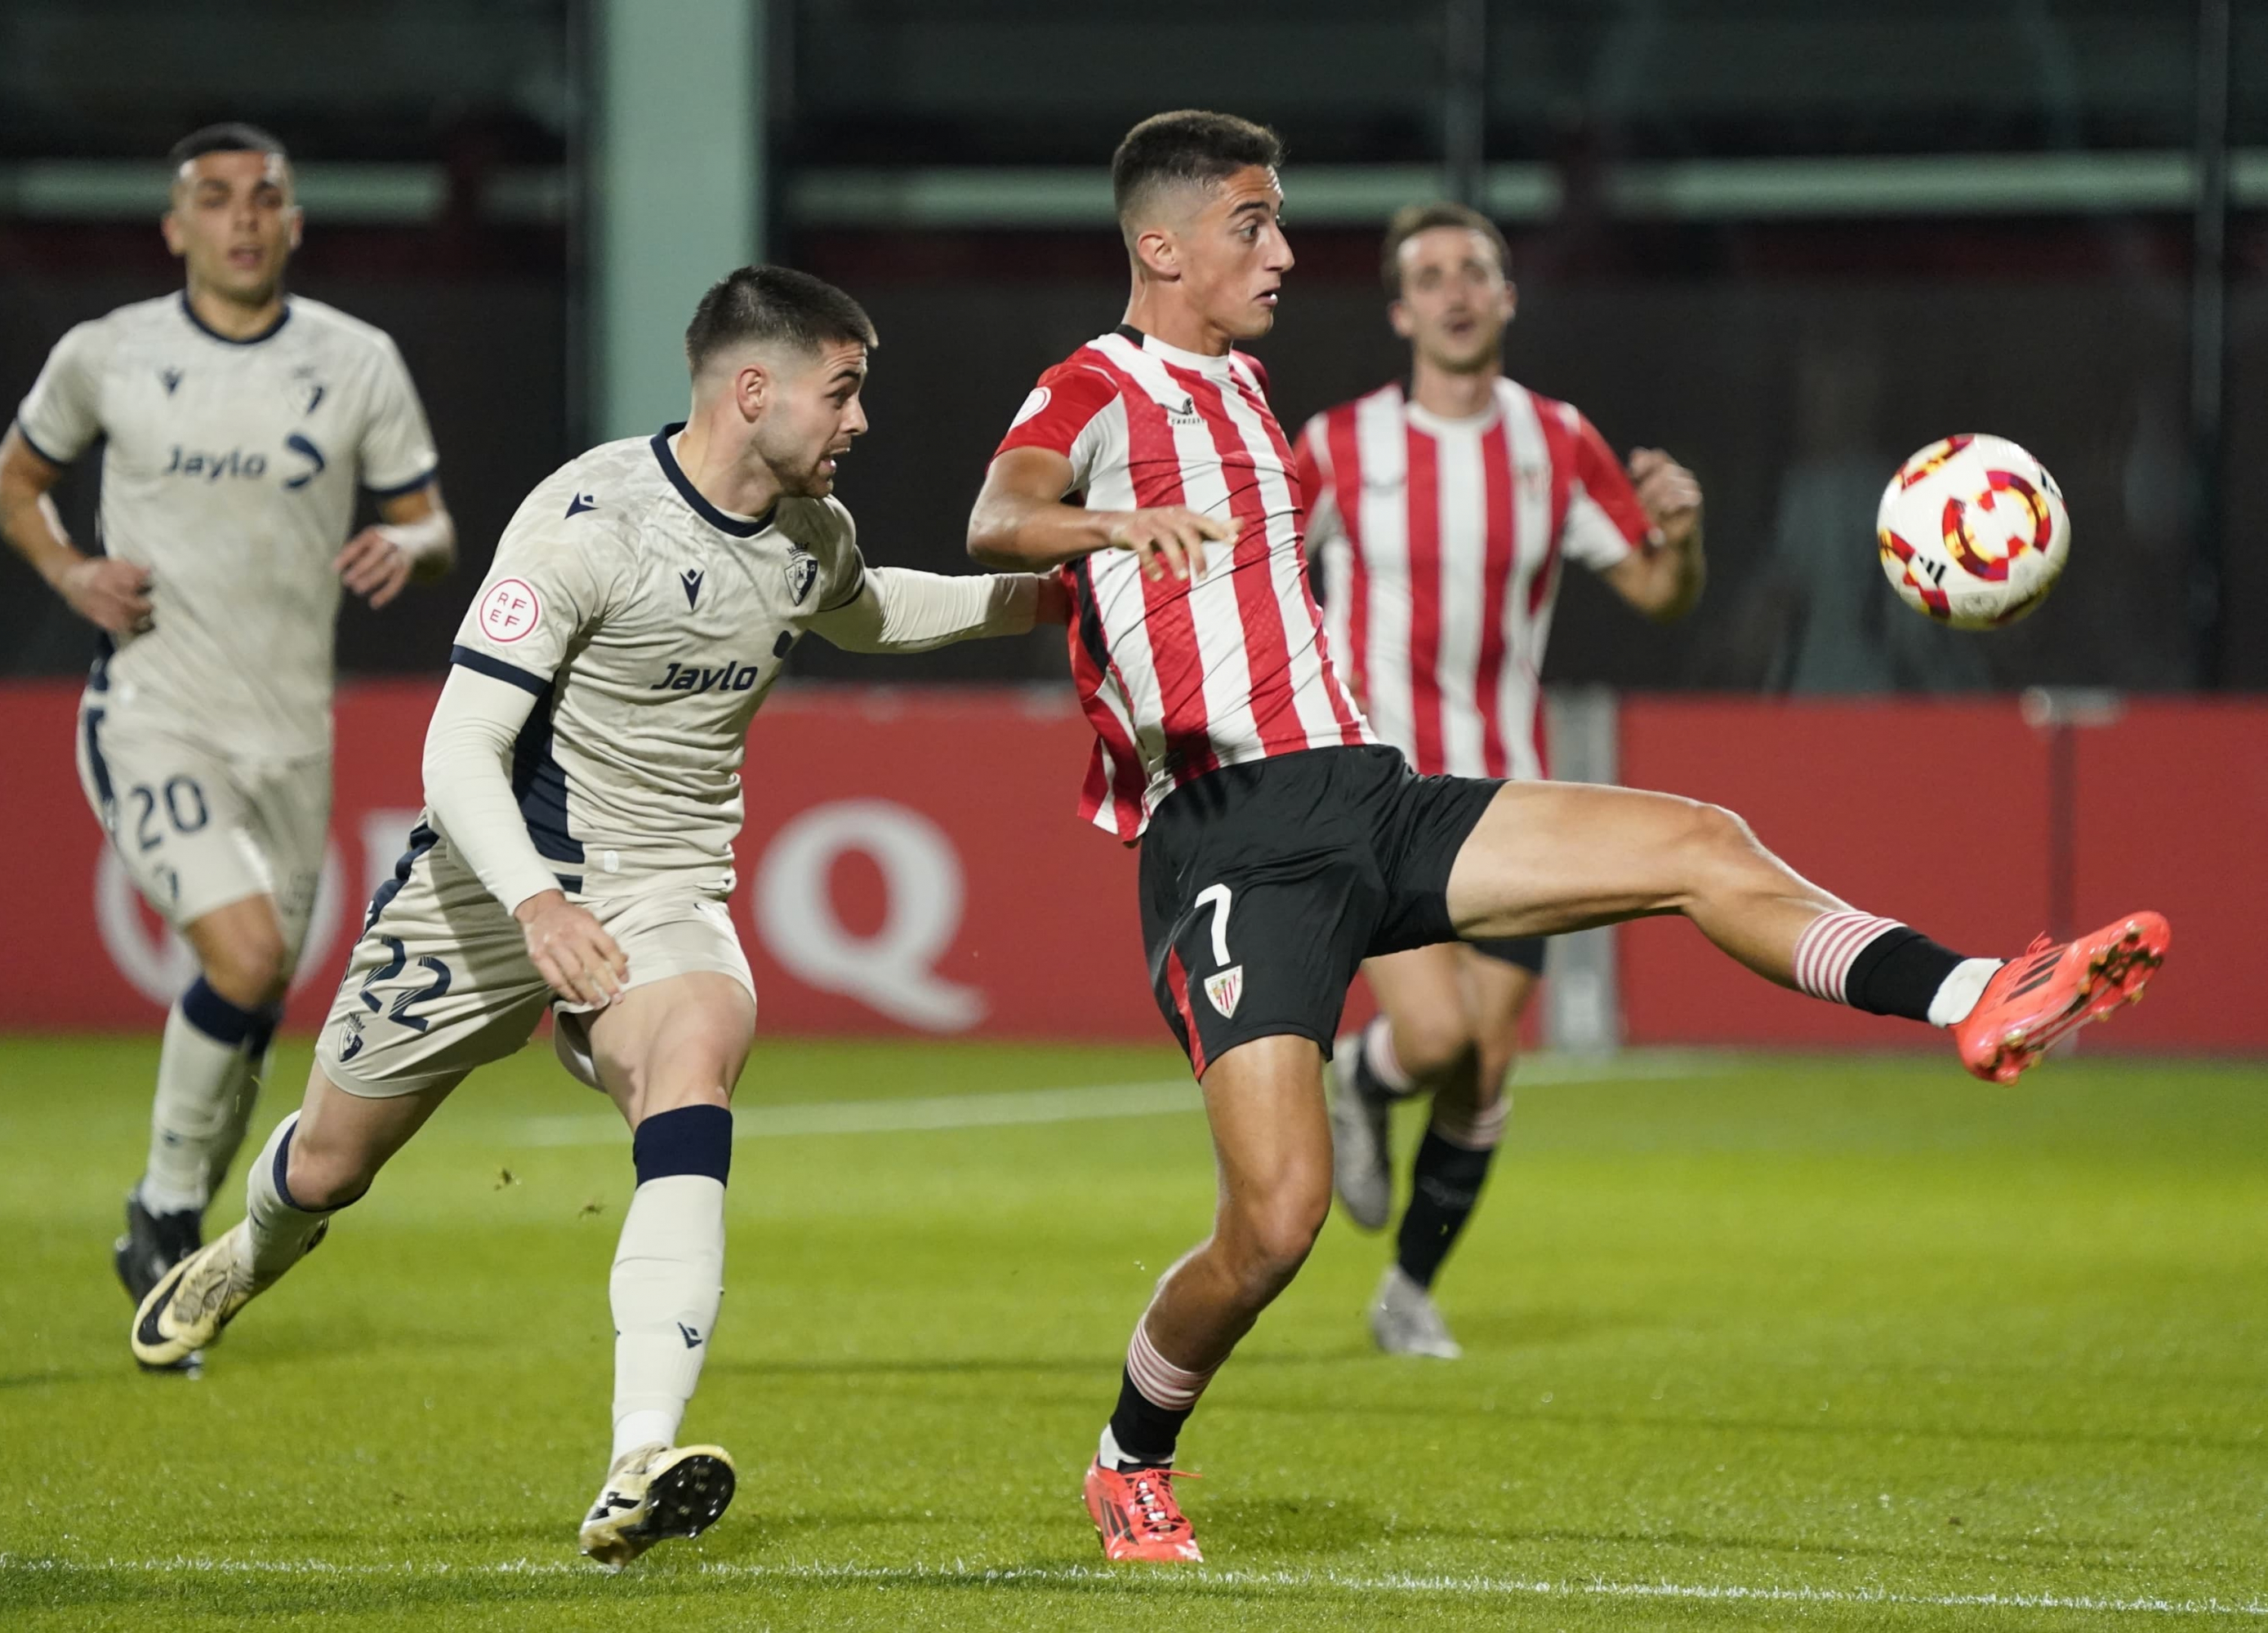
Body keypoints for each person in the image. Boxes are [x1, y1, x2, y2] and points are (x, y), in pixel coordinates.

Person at [963, 109, 2168, 1565]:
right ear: (1160, 246)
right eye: (1251, 224)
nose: (1282, 251)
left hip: (1375, 792)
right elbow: (997, 513)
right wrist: (1109, 530)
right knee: (1275, 1228)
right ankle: (1128, 1456)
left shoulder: (1260, 403)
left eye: (1279, 221)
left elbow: (1638, 588)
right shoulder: (1096, 385)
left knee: (1697, 842)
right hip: (1229, 837)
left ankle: (1976, 993)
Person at [126, 265, 1067, 1569]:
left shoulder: (811, 533)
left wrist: (1049, 595)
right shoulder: (585, 523)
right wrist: (533, 903)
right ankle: (249, 1248)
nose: (860, 423)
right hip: (488, 881)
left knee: (696, 1060)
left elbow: (871, 611)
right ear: (755, 390)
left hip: (666, 889)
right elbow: (458, 752)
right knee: (334, 1165)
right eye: (842, 392)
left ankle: (641, 1456)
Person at [0, 123, 455, 1337]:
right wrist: (72, 571)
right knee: (244, 958)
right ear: (174, 226)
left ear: (295, 222)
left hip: (291, 729)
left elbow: (430, 520)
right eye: (216, 199)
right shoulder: (110, 355)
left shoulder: (355, 361)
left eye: (266, 198)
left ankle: (166, 1201)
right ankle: (172, 1220)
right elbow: (11, 483)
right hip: (154, 707)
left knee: (257, 1003)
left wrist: (401, 545)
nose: (243, 218)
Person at [1294, 201, 1704, 1360]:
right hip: (1377, 784)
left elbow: (1657, 592)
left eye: (1476, 270)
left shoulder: (1558, 441)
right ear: (1400, 309)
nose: (1456, 291)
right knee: (1431, 1039)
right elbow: (1256, 572)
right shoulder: (1336, 445)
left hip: (1511, 793)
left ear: (1508, 296)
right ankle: (1371, 1086)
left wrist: (1685, 537)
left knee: (1486, 1064)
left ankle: (1409, 1293)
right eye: (1430, 275)